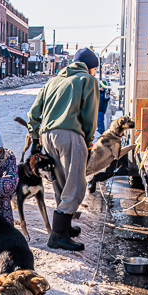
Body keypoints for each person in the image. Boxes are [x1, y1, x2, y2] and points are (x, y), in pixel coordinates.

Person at [26, 47, 99, 252]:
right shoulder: (87, 80)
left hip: (47, 136)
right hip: (70, 135)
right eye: (95, 69)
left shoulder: (53, 81)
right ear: (90, 67)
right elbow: (89, 115)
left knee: (60, 183)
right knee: (75, 184)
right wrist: (88, 141)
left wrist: (35, 137)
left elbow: (33, 113)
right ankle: (58, 236)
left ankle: (64, 228)